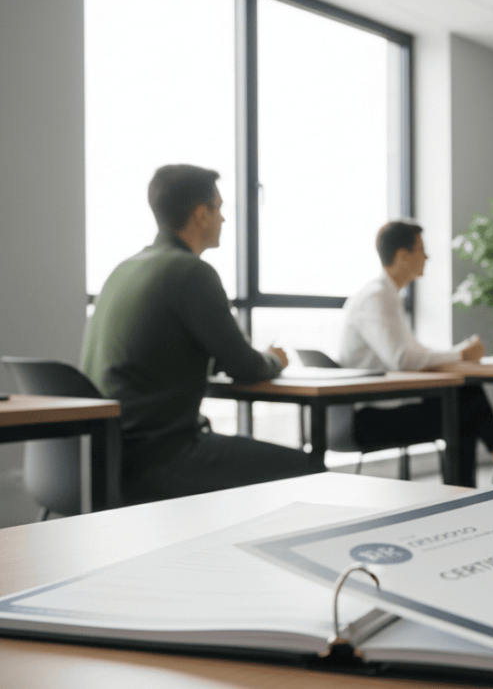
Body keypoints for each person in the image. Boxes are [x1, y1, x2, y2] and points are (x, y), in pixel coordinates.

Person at [82, 164, 319, 504]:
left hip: (110, 458)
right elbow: (248, 367)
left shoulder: (124, 269)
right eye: (219, 208)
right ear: (200, 215)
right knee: (307, 467)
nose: (223, 218)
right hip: (161, 460)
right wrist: (274, 359)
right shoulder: (191, 272)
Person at [338, 221, 493, 484]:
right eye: (421, 250)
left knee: (465, 393)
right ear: (403, 256)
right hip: (368, 418)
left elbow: (414, 353)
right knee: (463, 408)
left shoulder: (385, 295)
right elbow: (404, 360)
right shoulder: (377, 297)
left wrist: (459, 353)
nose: (427, 257)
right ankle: (490, 474)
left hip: (383, 405)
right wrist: (461, 355)